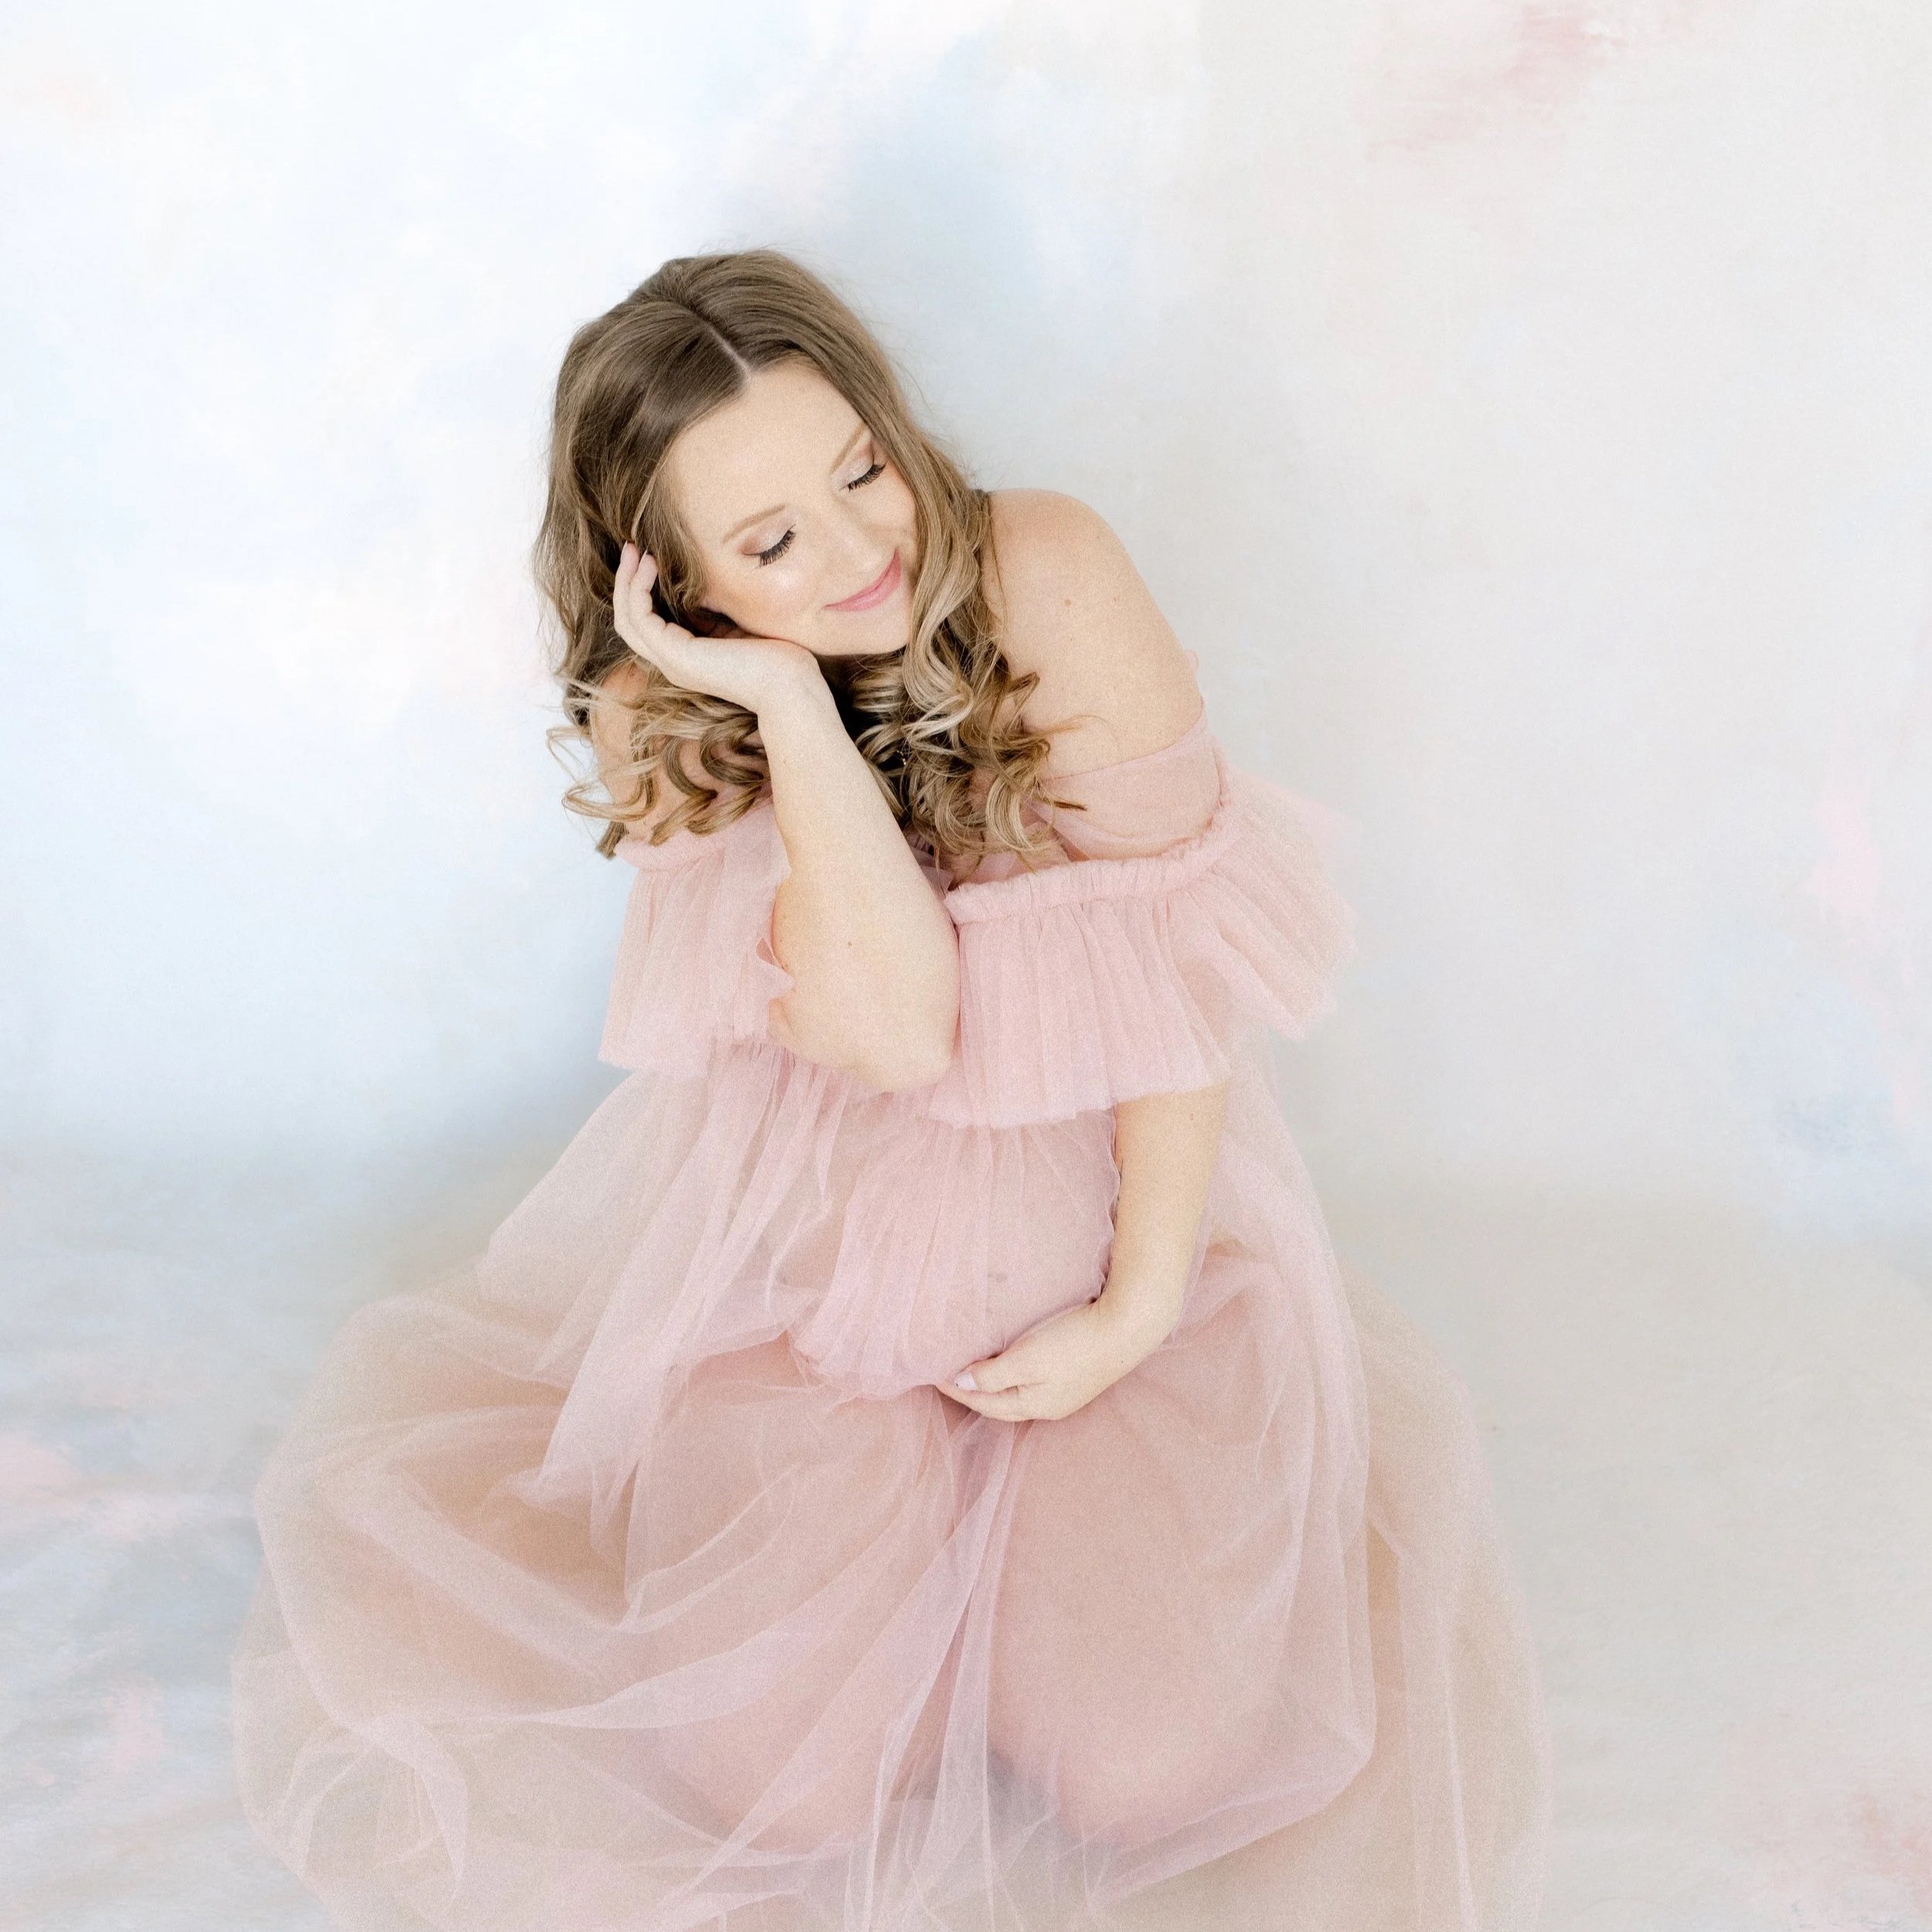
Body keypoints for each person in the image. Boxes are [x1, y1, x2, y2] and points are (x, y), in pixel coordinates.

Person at [231, 249, 1551, 1930]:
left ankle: (1054, 1562)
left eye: (861, 467)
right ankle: (887, 1545)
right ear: (679, 588)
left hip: (1092, 1239)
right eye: (773, 543)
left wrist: (1136, 1304)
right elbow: (897, 1034)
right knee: (787, 1785)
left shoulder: (1045, 572)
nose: (863, 551)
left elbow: (1177, 988)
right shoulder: (675, 706)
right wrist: (789, 707)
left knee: (1151, 1768)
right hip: (813, 1289)